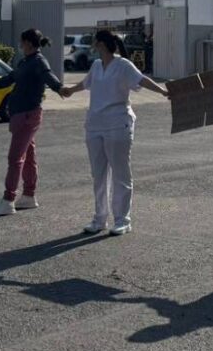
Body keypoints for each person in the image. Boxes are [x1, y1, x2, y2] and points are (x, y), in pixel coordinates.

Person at [61, 29, 170, 236]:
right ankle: (99, 218)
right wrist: (69, 91)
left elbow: (142, 80)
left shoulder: (123, 65)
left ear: (101, 44)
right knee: (98, 175)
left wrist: (163, 91)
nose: (93, 45)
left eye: (94, 41)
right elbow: (85, 83)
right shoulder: (96, 65)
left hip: (118, 124)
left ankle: (122, 220)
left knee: (120, 173)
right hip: (95, 125)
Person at [0, 28, 65, 216]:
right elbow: (8, 79)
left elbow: (48, 76)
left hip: (27, 115)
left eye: (21, 42)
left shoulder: (38, 61)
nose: (20, 45)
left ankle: (8, 200)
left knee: (15, 158)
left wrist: (59, 88)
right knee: (28, 156)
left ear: (28, 43)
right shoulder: (25, 61)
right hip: (22, 115)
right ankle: (28, 196)